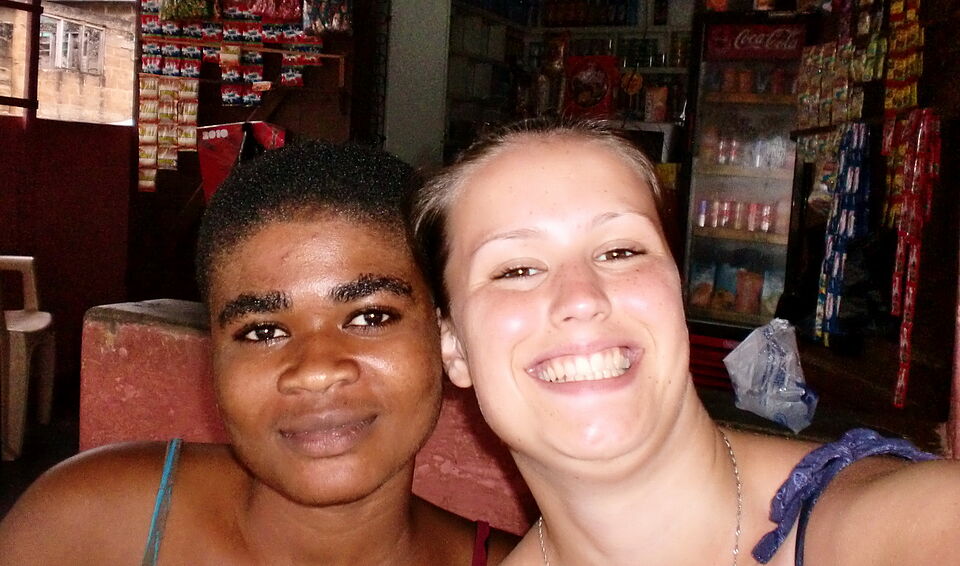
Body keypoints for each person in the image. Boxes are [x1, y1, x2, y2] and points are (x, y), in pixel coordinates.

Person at [413, 118, 960, 566]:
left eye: (621, 252)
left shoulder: (899, 525)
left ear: (675, 288)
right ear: (453, 345)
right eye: (516, 269)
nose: (581, 298)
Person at [0, 141, 515, 565]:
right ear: (214, 360)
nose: (315, 371)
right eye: (262, 331)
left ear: (446, 337)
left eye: (370, 317)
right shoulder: (87, 522)